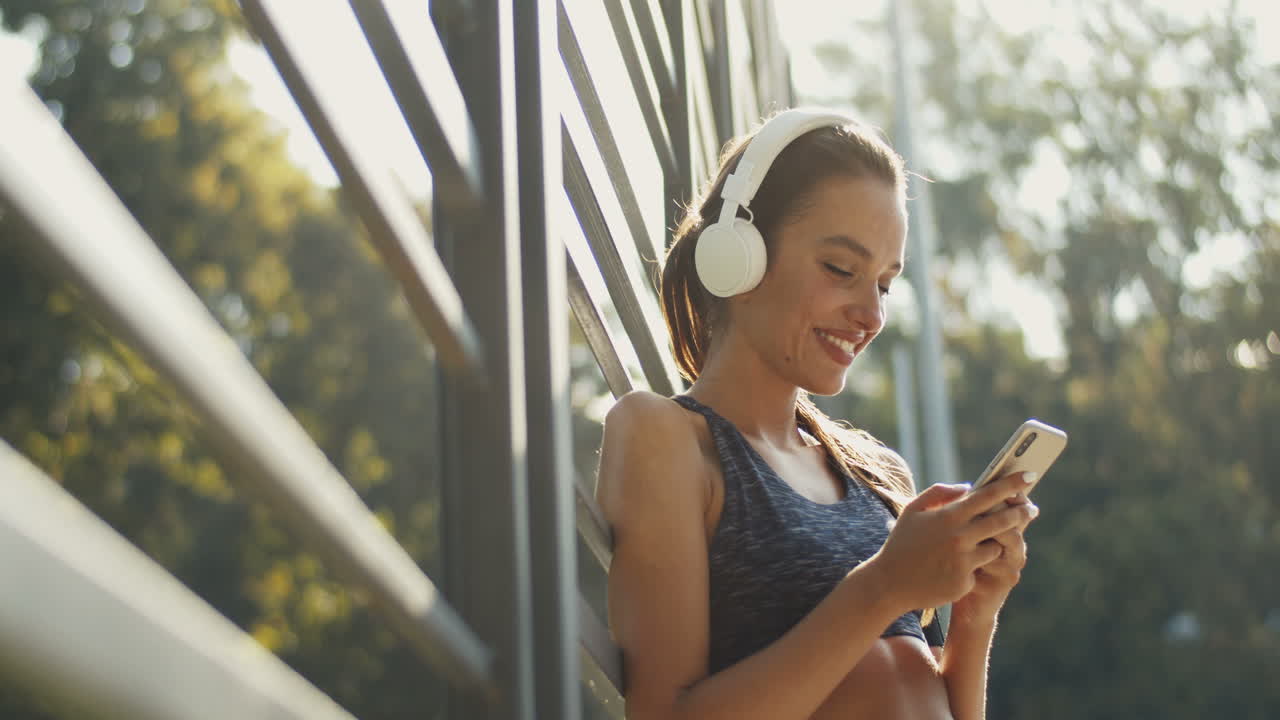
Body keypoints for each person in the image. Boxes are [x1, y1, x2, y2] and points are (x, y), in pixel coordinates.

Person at [593, 108, 1040, 720]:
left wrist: (975, 616)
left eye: (884, 284)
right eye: (841, 270)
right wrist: (883, 586)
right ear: (739, 255)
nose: (872, 315)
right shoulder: (665, 438)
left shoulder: (878, 474)